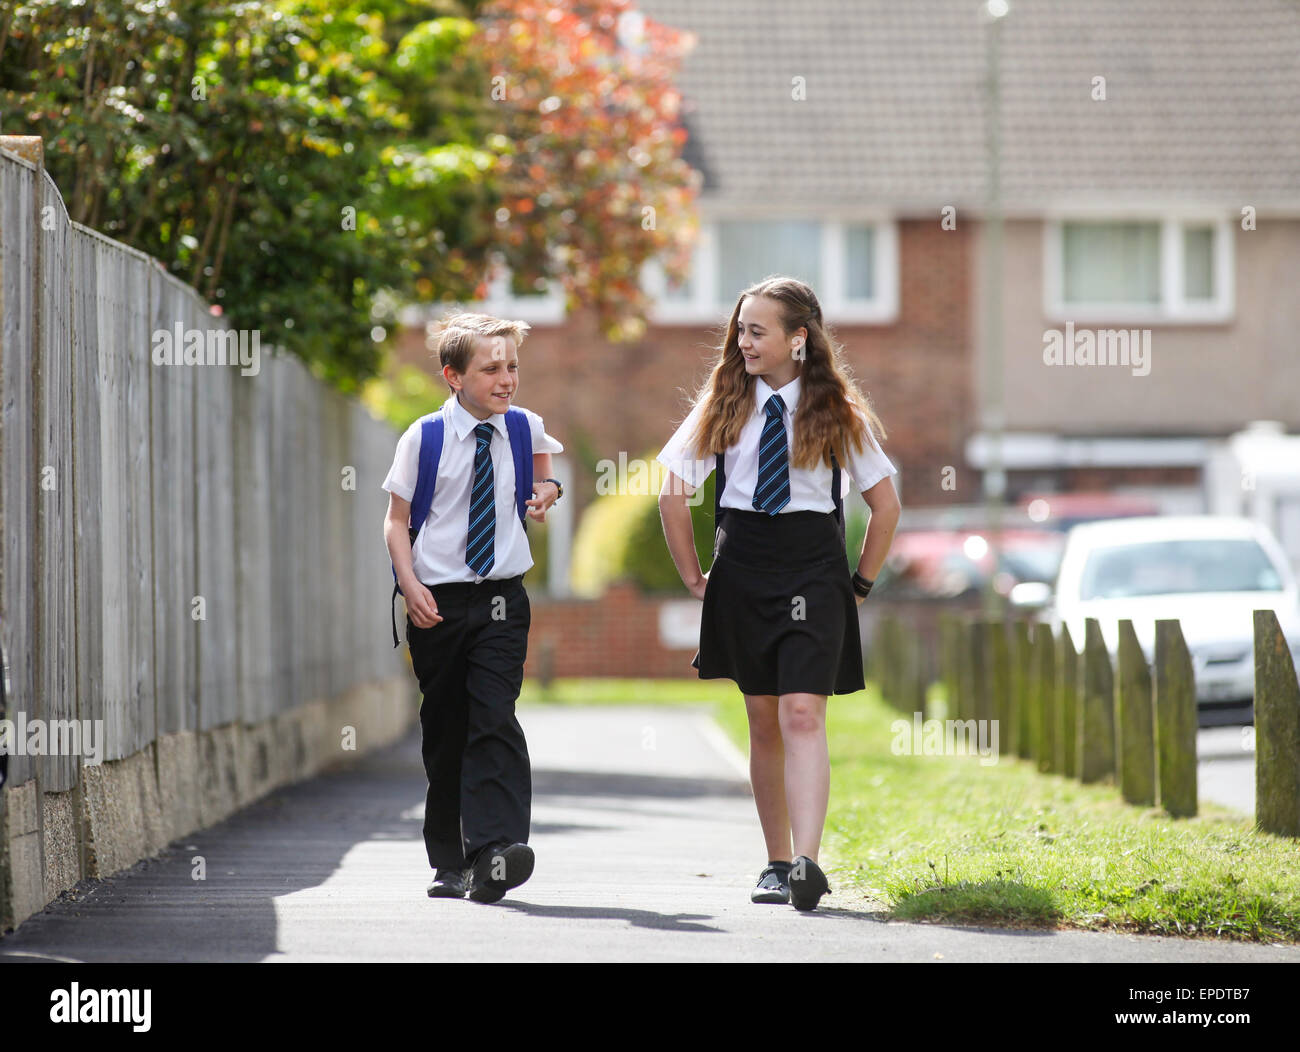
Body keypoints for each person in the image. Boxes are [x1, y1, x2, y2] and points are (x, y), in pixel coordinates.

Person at [656, 276, 901, 912]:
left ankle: (807, 864)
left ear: (799, 340)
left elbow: (885, 504)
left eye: (756, 331)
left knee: (801, 712)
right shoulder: (722, 402)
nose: (743, 343)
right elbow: (672, 489)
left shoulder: (838, 411)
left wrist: (861, 584)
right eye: (739, 330)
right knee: (763, 718)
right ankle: (773, 861)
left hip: (814, 571)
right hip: (742, 571)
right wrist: (692, 576)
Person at [382, 312, 564, 903]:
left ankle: (496, 851)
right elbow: (396, 522)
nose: (506, 379)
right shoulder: (424, 438)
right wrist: (410, 587)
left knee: (494, 715)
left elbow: (546, 479)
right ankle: (450, 861)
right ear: (453, 376)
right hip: (436, 600)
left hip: (503, 598)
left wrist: (546, 493)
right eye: (491, 369)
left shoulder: (524, 427)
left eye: (512, 366)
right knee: (446, 727)